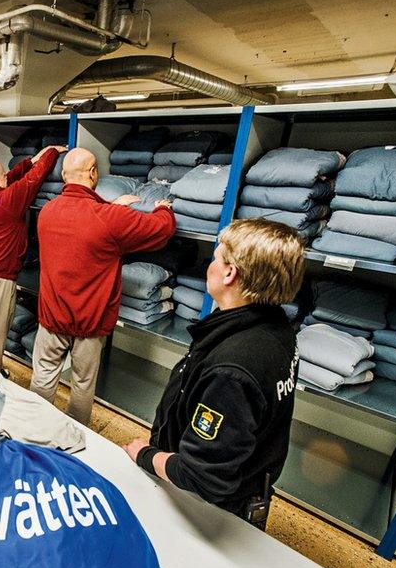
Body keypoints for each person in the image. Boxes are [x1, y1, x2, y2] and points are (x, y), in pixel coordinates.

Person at [122, 219, 305, 530]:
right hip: (236, 486)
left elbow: (201, 476)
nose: (211, 265)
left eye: (216, 258)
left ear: (230, 273)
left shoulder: (234, 369)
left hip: (206, 509)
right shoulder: (273, 327)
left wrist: (145, 455)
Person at [31, 148, 175, 425]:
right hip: (90, 320)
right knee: (83, 384)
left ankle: (35, 431)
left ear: (63, 176)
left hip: (51, 315)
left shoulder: (47, 211)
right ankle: (76, 438)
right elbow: (161, 230)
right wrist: (162, 209)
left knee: (43, 375)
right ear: (93, 173)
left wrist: (111, 207)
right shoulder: (109, 218)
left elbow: (81, 227)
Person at [0, 144, 66, 371]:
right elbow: (34, 179)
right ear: (0, 182)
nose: (8, 179)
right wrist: (51, 152)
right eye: (4, 178)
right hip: (2, 276)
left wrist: (30, 160)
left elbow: (12, 177)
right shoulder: (8, 201)